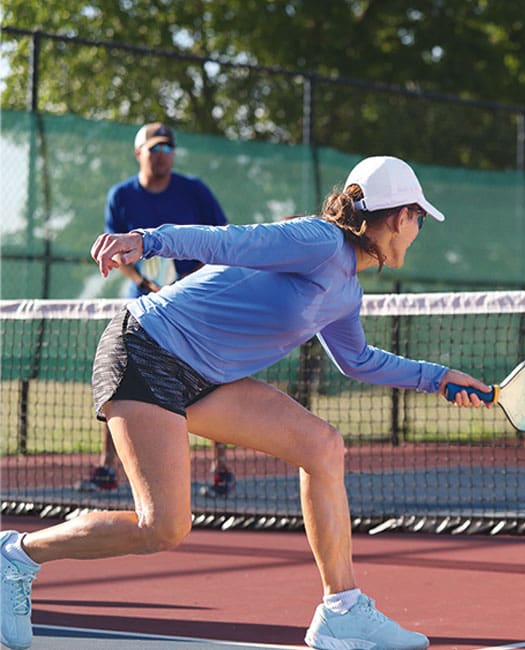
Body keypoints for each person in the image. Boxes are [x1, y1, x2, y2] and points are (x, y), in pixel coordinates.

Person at [1, 155, 490, 650]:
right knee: (163, 527)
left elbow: (357, 361)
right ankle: (15, 556)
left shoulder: (346, 290)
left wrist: (440, 378)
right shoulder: (318, 240)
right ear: (400, 216)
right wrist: (146, 240)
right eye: (419, 218)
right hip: (146, 348)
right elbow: (228, 241)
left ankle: (342, 611)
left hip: (207, 376)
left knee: (322, 446)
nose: (418, 228)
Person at [78, 121, 235, 498]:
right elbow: (117, 251)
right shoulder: (121, 196)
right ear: (139, 153)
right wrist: (150, 285)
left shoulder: (194, 191)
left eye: (167, 149)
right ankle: (108, 469)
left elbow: (222, 239)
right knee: (120, 380)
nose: (162, 155)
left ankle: (220, 470)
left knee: (212, 377)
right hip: (145, 309)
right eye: (154, 149)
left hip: (194, 302)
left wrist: (192, 285)